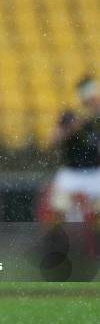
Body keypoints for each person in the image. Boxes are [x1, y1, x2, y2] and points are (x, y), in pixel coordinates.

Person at [50, 76, 100, 222]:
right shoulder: (70, 115)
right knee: (58, 211)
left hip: (94, 171)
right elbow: (52, 140)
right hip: (71, 171)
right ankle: (56, 242)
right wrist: (74, 126)